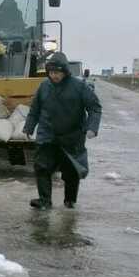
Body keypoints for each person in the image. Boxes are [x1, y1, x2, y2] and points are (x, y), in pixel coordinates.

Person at [23, 51, 102, 209]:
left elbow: (95, 108)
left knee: (71, 171)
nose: (54, 76)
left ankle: (70, 201)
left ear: (65, 71)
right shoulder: (44, 86)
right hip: (48, 134)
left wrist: (91, 128)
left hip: (72, 136)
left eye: (57, 72)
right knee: (42, 166)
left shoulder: (79, 86)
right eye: (51, 72)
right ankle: (45, 200)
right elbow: (35, 109)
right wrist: (29, 127)